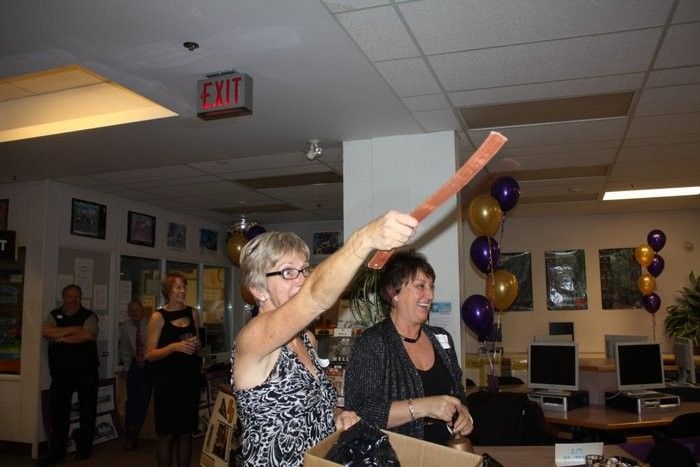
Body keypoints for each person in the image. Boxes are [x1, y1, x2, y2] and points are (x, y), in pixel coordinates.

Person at [232, 210, 418, 467]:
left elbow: (313, 407)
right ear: (258, 289)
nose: (301, 279)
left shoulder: (306, 338)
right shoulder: (253, 338)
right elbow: (313, 297)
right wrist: (364, 239)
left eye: (304, 269)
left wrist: (337, 416)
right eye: (287, 272)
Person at [344, 251, 474, 446]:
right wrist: (424, 406)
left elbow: (458, 394)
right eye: (420, 286)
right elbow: (360, 413)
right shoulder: (372, 343)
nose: (430, 295)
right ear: (393, 293)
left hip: (446, 454)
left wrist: (464, 414)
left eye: (431, 286)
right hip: (397, 457)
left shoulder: (442, 339)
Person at [145, 272, 201, 467]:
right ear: (168, 291)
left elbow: (198, 342)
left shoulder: (193, 313)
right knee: (167, 434)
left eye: (184, 287)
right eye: (178, 287)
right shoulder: (158, 316)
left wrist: (196, 343)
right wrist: (173, 347)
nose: (182, 290)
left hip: (189, 379)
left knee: (186, 432)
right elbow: (149, 354)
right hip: (167, 382)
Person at [41, 284, 100, 464]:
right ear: (63, 297)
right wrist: (75, 329)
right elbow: (46, 331)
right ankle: (57, 453)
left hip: (86, 372)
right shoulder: (54, 314)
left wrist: (59, 338)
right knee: (59, 413)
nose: (73, 300)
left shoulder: (89, 315)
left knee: (87, 412)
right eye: (70, 296)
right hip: (61, 373)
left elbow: (87, 335)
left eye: (77, 297)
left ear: (81, 298)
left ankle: (84, 449)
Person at [118, 301, 153, 451]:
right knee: (132, 400)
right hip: (134, 365)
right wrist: (127, 368)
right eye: (131, 311)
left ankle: (136, 432)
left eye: (137, 310)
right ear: (128, 312)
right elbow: (124, 348)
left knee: (144, 400)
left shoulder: (151, 323)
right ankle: (130, 435)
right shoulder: (126, 326)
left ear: (142, 310)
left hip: (151, 364)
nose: (134, 313)